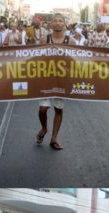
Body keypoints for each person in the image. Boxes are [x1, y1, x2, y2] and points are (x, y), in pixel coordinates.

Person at [36, 13, 75, 151]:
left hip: (61, 81)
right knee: (43, 109)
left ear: (64, 24)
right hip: (46, 79)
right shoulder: (44, 39)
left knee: (58, 109)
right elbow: (37, 58)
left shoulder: (71, 41)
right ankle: (44, 128)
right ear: (51, 24)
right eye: (55, 21)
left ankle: (54, 138)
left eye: (61, 21)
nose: (58, 23)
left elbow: (74, 62)